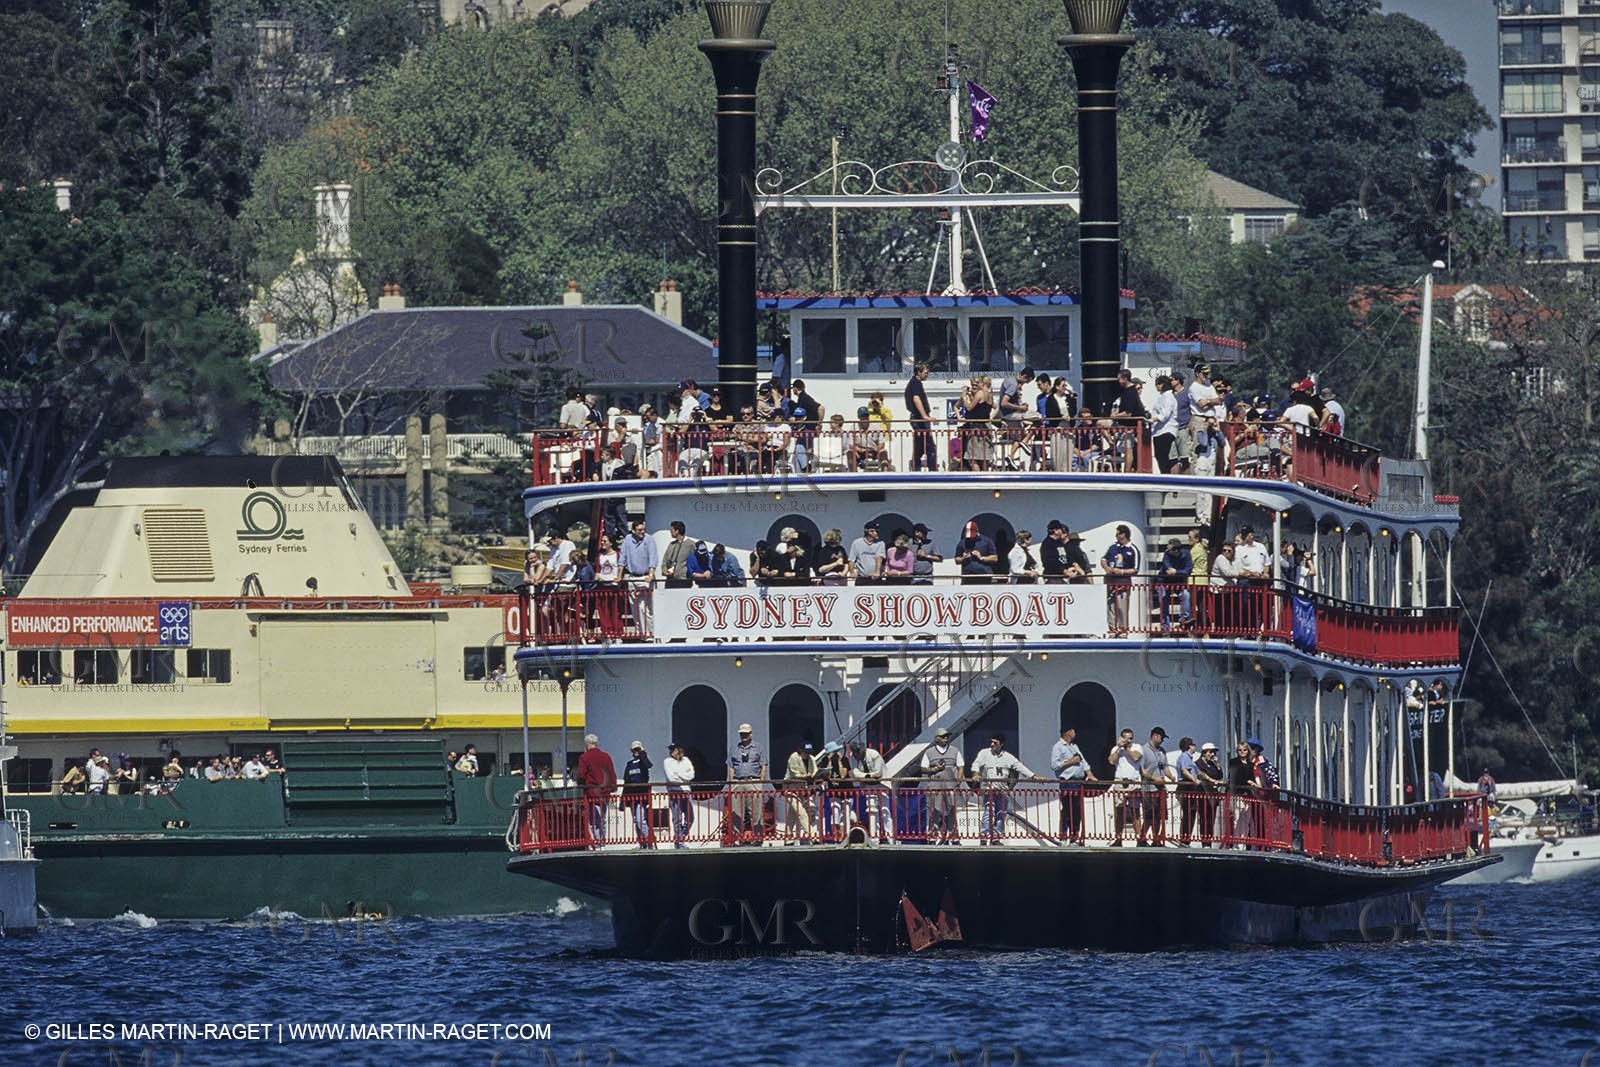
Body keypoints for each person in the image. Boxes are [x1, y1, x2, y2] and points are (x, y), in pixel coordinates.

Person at [969, 733, 1045, 845]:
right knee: (988, 813)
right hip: (989, 789)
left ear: (1001, 744)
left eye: (995, 743)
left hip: (1002, 791)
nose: (992, 744)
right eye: (991, 742)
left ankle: (996, 838)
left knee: (1000, 814)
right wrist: (975, 774)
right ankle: (984, 837)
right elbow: (976, 763)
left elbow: (1019, 767)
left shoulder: (1008, 757)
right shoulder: (984, 753)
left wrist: (1034, 777)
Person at [1051, 727, 1098, 843]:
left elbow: (1083, 761)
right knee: (1067, 810)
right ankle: (1063, 837)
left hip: (1078, 782)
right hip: (1067, 782)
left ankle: (1074, 837)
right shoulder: (1058, 747)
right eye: (1073, 731)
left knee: (1076, 811)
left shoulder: (1074, 746)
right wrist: (1072, 761)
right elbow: (1055, 765)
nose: (1075, 733)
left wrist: (1089, 773)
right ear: (1067, 732)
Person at [919, 727, 964, 843]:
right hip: (935, 785)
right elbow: (923, 768)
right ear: (936, 738)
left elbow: (961, 765)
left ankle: (954, 837)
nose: (946, 738)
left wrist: (958, 780)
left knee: (951, 811)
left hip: (950, 786)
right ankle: (932, 836)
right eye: (943, 736)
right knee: (934, 811)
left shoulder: (955, 750)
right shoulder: (929, 752)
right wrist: (934, 769)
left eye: (947, 736)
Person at [726, 722, 767, 845]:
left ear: (751, 734)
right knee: (737, 812)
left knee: (756, 811)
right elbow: (731, 766)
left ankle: (758, 838)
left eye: (746, 733)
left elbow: (763, 765)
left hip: (753, 781)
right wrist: (732, 782)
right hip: (738, 781)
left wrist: (760, 782)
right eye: (742, 734)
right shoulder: (734, 748)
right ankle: (737, 838)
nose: (743, 736)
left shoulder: (758, 747)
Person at [576, 734, 618, 846]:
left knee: (594, 821)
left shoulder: (584, 757)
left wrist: (579, 782)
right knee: (602, 819)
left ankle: (599, 843)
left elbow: (581, 775)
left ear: (586, 744)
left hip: (592, 793)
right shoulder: (606, 756)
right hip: (605, 792)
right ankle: (602, 842)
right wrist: (613, 787)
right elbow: (612, 773)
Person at [1140, 727, 1176, 845]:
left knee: (1159, 815)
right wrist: (1154, 778)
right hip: (1149, 788)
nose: (1162, 740)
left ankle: (1156, 839)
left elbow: (1165, 767)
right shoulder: (1144, 750)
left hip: (1160, 789)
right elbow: (1142, 770)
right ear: (1155, 736)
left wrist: (1170, 776)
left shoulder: (1162, 751)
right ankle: (1142, 838)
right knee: (1149, 816)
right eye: (1161, 737)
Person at [1101, 524, 1138, 633]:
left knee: (1122, 608)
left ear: (1123, 534)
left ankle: (1123, 630)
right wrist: (1107, 568)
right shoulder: (1113, 547)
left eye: (1117, 534)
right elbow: (1103, 559)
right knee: (1111, 607)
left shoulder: (1132, 549)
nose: (1116, 536)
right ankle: (1112, 630)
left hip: (1123, 583)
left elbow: (1135, 569)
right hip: (1110, 581)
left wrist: (1121, 572)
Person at [1109, 730, 1144, 845]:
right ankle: (1118, 839)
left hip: (1133, 782)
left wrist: (1127, 748)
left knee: (1135, 812)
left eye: (1130, 738)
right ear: (1121, 738)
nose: (1129, 741)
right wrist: (1119, 748)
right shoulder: (1116, 749)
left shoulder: (1137, 747)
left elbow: (1135, 758)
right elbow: (1111, 761)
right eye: (1126, 738)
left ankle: (1139, 839)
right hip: (1120, 782)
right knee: (1119, 812)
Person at [850, 742, 890, 843]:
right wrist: (868, 776)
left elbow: (878, 773)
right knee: (872, 812)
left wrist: (865, 775)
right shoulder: (853, 758)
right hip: (868, 786)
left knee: (885, 813)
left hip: (882, 785)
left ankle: (890, 838)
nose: (857, 755)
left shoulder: (874, 755)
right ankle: (874, 839)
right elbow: (856, 773)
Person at [783, 741, 819, 844]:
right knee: (802, 813)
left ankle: (787, 837)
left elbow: (814, 771)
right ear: (800, 751)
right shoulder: (793, 757)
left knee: (792, 816)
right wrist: (808, 776)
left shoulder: (811, 758)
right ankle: (813, 836)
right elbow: (795, 774)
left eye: (809, 752)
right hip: (791, 789)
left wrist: (819, 774)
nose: (808, 754)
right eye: (806, 752)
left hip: (802, 790)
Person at [621, 741, 654, 847]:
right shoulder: (629, 764)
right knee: (636, 820)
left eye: (637, 749)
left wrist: (642, 753)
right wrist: (623, 800)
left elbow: (649, 765)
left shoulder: (643, 762)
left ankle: (649, 841)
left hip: (641, 796)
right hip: (631, 796)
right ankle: (642, 843)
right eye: (634, 750)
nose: (636, 752)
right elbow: (626, 781)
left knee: (641, 820)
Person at [905, 362, 937, 471]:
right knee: (930, 447)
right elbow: (916, 399)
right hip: (918, 419)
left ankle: (917, 468)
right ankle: (932, 471)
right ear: (919, 372)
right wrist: (924, 416)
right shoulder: (915, 383)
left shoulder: (914, 383)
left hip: (917, 418)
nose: (927, 375)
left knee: (920, 446)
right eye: (926, 373)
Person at [663, 741, 696, 848]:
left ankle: (680, 837)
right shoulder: (667, 761)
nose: (671, 751)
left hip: (686, 792)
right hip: (674, 791)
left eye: (673, 749)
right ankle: (679, 841)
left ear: (679, 750)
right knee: (677, 819)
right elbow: (671, 778)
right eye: (670, 749)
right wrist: (683, 775)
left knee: (690, 817)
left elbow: (691, 775)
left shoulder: (686, 760)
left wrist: (678, 774)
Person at [1194, 742, 1225, 846]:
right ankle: (1205, 842)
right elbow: (1201, 775)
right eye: (1210, 752)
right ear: (1204, 753)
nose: (1212, 754)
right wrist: (1212, 781)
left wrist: (1217, 764)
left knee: (1211, 819)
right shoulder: (1198, 763)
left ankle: (1209, 841)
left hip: (1213, 796)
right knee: (1204, 818)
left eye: (1213, 752)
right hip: (1203, 794)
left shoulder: (1212, 764)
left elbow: (1220, 775)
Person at [1227, 741, 1255, 847]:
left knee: (1246, 820)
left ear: (1248, 751)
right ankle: (1236, 843)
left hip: (1247, 795)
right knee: (1236, 819)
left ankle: (1242, 843)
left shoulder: (1251, 765)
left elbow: (1254, 777)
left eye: (1244, 750)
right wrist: (1248, 781)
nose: (1242, 752)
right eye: (1240, 750)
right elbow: (1235, 776)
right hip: (1237, 794)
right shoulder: (1233, 762)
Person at [954, 520, 998, 584]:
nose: (970, 539)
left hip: (984, 575)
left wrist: (981, 557)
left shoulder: (987, 541)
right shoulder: (962, 543)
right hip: (967, 576)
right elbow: (957, 559)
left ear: (977, 531)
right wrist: (963, 558)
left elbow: (994, 558)